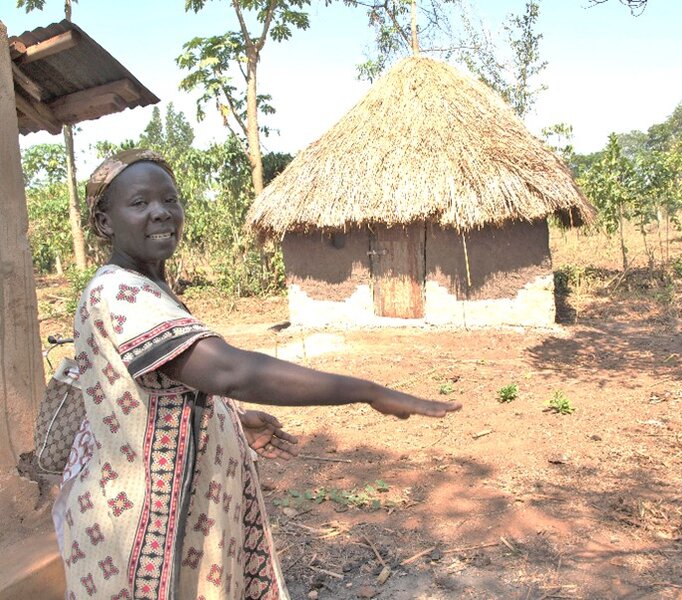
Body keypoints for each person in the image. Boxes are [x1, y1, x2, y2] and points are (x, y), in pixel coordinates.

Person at [55, 149, 460, 599]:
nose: (161, 212)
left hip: (176, 515)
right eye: (139, 203)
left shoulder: (151, 288)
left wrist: (228, 419)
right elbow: (231, 370)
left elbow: (168, 385)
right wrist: (368, 391)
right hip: (133, 526)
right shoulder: (118, 291)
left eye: (170, 199)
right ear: (105, 223)